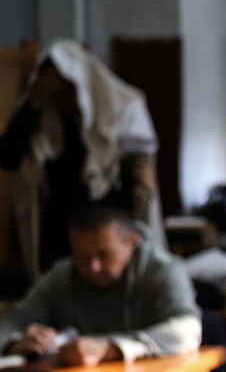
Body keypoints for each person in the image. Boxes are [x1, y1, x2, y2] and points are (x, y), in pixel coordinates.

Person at [0, 40, 164, 281]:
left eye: (67, 89)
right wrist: (35, 101)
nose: (63, 98)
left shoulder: (118, 107)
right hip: (60, 233)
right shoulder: (46, 116)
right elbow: (9, 157)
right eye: (55, 90)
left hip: (110, 227)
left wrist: (137, 232)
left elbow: (142, 182)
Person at [0, 206, 200, 366]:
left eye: (105, 255)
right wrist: (14, 343)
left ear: (132, 242)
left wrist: (111, 349)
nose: (93, 267)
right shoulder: (62, 275)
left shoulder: (163, 270)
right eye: (82, 256)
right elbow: (12, 321)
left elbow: (186, 329)